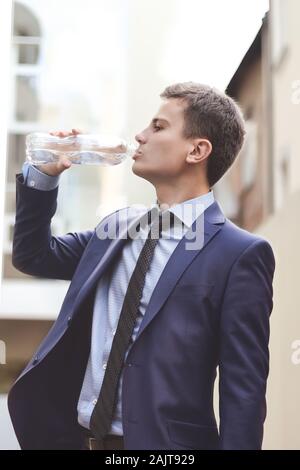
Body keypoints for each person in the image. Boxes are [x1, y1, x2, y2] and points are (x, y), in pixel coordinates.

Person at [8, 82, 275, 450]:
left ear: (197, 150)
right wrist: (44, 177)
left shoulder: (239, 253)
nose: (140, 136)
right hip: (75, 439)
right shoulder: (116, 229)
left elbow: (242, 389)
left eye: (158, 126)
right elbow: (33, 256)